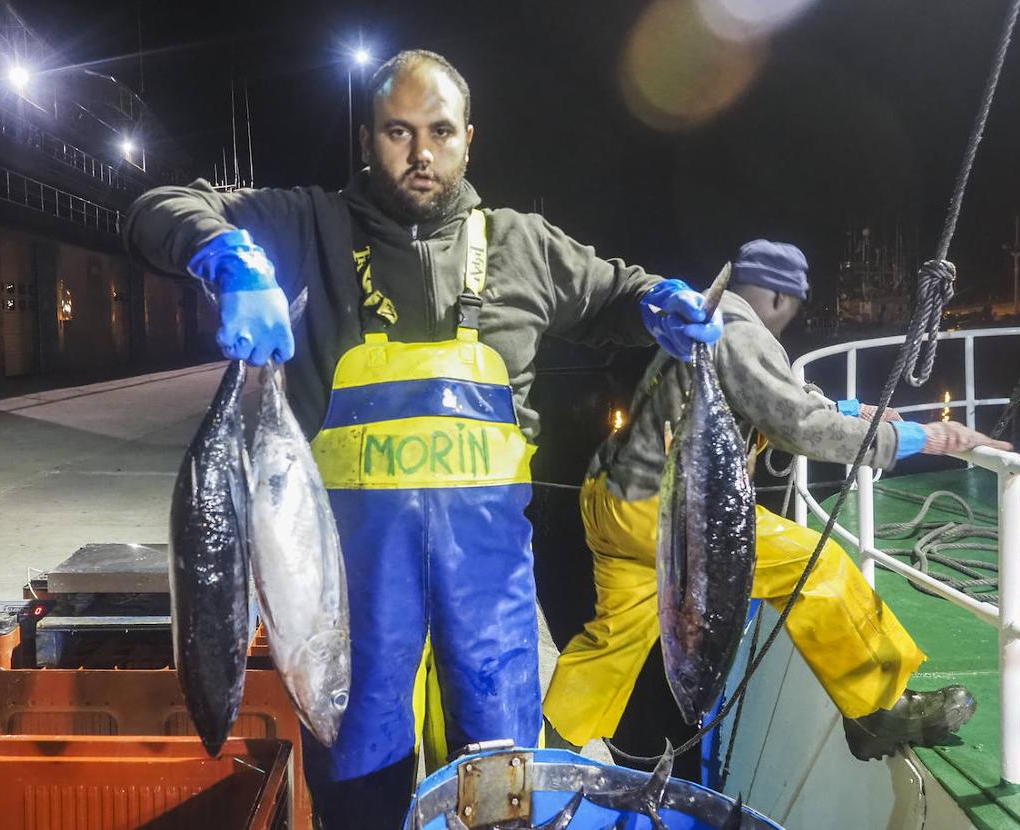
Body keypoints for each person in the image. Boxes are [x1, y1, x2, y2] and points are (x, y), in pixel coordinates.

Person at [123, 49, 722, 829]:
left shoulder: (525, 247)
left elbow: (614, 293)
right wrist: (227, 256)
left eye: (439, 131)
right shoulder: (309, 226)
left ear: (469, 137)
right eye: (397, 132)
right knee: (360, 789)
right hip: (351, 596)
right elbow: (154, 208)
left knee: (503, 786)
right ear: (367, 137)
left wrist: (654, 304)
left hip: (494, 598)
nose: (420, 153)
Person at [542, 240, 1013, 763]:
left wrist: (856, 411)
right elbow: (799, 426)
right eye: (794, 303)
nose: (792, 316)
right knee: (818, 568)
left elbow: (781, 393)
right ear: (777, 296)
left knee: (615, 637)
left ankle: (552, 747)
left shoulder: (715, 321)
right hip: (671, 512)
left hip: (611, 500)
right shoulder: (740, 332)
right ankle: (879, 709)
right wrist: (925, 439)